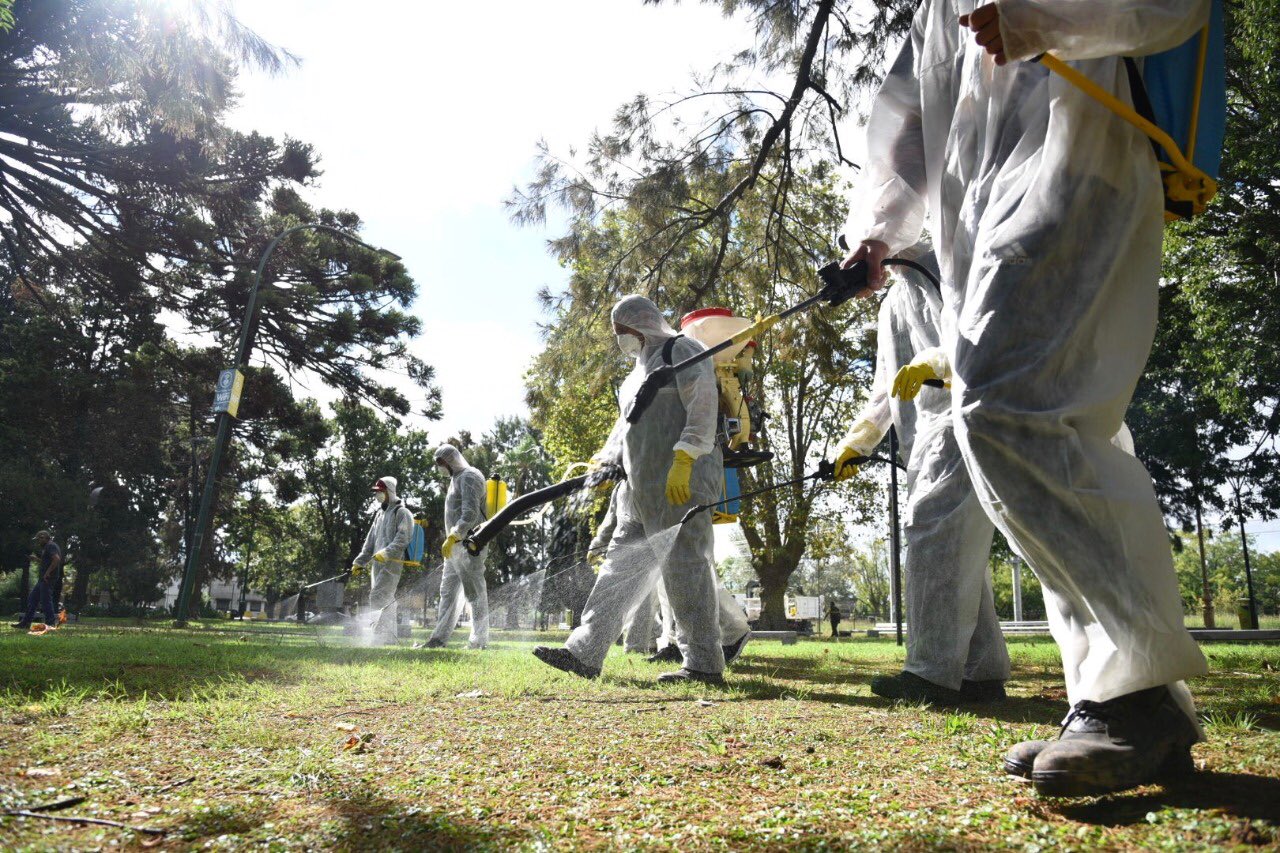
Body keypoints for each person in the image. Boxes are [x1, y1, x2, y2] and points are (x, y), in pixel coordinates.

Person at [841, 0, 1210, 796]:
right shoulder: (933, 9)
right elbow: (909, 118)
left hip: (1083, 150)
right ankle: (1117, 699)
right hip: (974, 210)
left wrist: (1044, 17)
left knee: (1006, 404)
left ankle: (1137, 688)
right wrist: (877, 228)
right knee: (1057, 427)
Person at [832, 246, 1011, 704]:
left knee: (933, 532)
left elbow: (991, 326)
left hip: (967, 414)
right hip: (926, 436)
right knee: (957, 549)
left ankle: (931, 674)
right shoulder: (893, 300)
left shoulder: (945, 263)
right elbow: (885, 385)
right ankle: (981, 670)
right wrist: (858, 441)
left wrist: (938, 361)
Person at [533, 295, 725, 684]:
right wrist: (604, 461)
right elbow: (624, 429)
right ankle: (584, 652)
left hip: (680, 482)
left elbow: (704, 406)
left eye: (623, 332)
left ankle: (704, 665)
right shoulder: (632, 376)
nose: (621, 339)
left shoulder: (684, 349)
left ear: (642, 326)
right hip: (639, 490)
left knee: (685, 571)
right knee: (618, 569)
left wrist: (685, 458)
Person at [426, 445, 490, 650]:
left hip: (470, 544)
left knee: (474, 593)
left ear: (450, 460)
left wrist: (455, 534)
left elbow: (470, 513)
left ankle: (479, 641)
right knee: (448, 592)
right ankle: (438, 639)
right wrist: (452, 540)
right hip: (454, 547)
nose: (440, 468)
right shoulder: (456, 479)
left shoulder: (470, 476)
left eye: (441, 464)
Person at [352, 476, 413, 644]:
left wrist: (386, 553)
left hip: (392, 564)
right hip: (377, 565)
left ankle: (382, 638)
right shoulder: (379, 514)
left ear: (390, 491)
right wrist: (359, 562)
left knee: (379, 596)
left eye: (381, 491)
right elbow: (370, 542)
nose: (377, 495)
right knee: (384, 600)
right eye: (376, 492)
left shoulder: (402, 512)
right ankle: (386, 638)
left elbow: (403, 538)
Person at [13, 530, 60, 630]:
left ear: (44, 537)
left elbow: (56, 559)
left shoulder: (50, 546)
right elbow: (47, 561)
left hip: (48, 578)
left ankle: (50, 624)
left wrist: (48, 572)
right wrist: (36, 559)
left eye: (39, 539)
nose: (38, 542)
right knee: (32, 599)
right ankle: (25, 623)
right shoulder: (47, 547)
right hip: (42, 579)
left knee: (46, 600)